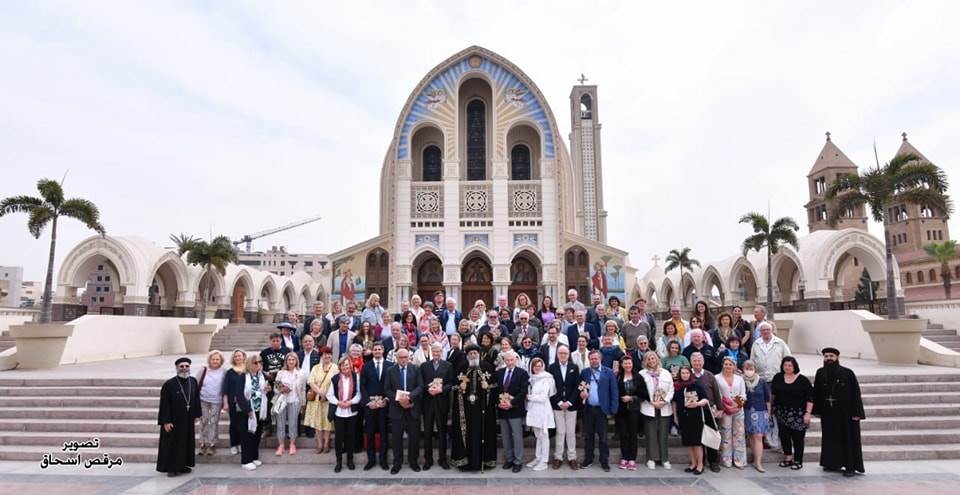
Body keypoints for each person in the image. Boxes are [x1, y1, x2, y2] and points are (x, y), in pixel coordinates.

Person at [813, 347, 865, 477]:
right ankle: (831, 463)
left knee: (847, 439)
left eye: (831, 356)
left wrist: (857, 413)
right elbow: (817, 392)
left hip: (846, 414)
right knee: (830, 439)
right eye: (826, 356)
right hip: (828, 413)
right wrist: (817, 410)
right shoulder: (820, 372)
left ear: (837, 357)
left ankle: (850, 467)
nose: (828, 358)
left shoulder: (847, 373)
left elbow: (855, 394)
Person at [449, 345, 499, 471]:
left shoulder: (487, 367)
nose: (473, 355)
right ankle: (465, 462)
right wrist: (460, 388)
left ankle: (484, 461)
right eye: (470, 353)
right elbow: (453, 386)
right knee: (466, 434)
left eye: (475, 353)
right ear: (467, 355)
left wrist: (487, 387)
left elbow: (495, 386)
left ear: (479, 354)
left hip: (483, 409)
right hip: (465, 409)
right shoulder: (461, 367)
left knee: (483, 432)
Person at [156, 357, 202, 477]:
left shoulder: (193, 381)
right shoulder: (169, 384)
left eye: (187, 366)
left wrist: (197, 414)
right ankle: (171, 468)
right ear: (177, 368)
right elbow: (164, 404)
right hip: (173, 420)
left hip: (188, 419)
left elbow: (196, 398)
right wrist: (166, 421)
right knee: (173, 444)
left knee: (186, 443)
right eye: (181, 366)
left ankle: (183, 466)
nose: (184, 368)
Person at [578, 349, 619, 471]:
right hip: (588, 409)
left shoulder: (608, 372)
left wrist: (613, 409)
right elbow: (581, 387)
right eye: (591, 359)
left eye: (596, 358)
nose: (594, 361)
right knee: (588, 436)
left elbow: (614, 391)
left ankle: (604, 461)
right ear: (589, 360)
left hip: (602, 410)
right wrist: (582, 394)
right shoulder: (585, 372)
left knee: (603, 437)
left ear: (600, 359)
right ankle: (588, 459)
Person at [772, 356, 814, 470]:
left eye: (790, 365)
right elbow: (773, 394)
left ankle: (798, 460)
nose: (787, 367)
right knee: (784, 436)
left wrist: (808, 413)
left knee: (798, 438)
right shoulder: (778, 377)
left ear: (795, 366)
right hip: (781, 413)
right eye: (785, 365)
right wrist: (770, 408)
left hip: (798, 414)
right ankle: (788, 458)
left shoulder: (803, 380)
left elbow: (810, 398)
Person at [385, 348, 423, 474]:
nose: (403, 359)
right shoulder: (390, 370)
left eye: (406, 357)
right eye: (401, 357)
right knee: (397, 438)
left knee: (414, 437)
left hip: (413, 408)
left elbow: (420, 386)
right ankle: (397, 463)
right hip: (397, 409)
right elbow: (387, 389)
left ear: (409, 357)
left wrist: (409, 397)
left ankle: (413, 462)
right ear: (396, 358)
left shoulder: (416, 369)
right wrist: (399, 400)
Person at [421, 342, 453, 470]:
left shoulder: (448, 365)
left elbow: (450, 383)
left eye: (438, 351)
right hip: (428, 403)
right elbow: (421, 382)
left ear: (441, 352)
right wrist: (427, 388)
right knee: (427, 432)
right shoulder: (424, 366)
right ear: (431, 352)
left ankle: (442, 459)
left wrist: (441, 389)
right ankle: (428, 460)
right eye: (434, 351)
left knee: (442, 432)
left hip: (441, 402)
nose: (436, 353)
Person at [360, 342, 391, 470]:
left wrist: (387, 399)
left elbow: (392, 385)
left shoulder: (390, 365)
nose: (377, 351)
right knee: (370, 433)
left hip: (384, 405)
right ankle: (371, 460)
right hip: (370, 406)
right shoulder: (366, 366)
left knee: (384, 433)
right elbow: (362, 386)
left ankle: (383, 460)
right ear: (372, 351)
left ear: (383, 351)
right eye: (375, 349)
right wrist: (368, 402)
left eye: (379, 349)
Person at [496, 351, 529, 473]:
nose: (509, 362)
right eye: (507, 360)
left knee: (517, 436)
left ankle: (518, 461)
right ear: (504, 361)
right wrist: (499, 403)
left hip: (515, 409)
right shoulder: (499, 373)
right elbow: (495, 390)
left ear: (516, 360)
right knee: (505, 436)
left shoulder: (522, 373)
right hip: (502, 409)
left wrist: (511, 403)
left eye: (512, 360)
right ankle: (509, 459)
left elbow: (523, 391)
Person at [548, 344, 580, 469]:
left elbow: (577, 386)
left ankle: (572, 457)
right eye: (560, 353)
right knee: (560, 432)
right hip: (558, 405)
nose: (563, 355)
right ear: (557, 354)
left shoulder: (574, 367)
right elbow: (551, 387)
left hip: (571, 405)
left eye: (565, 353)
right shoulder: (552, 367)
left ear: (568, 354)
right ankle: (558, 457)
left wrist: (570, 402)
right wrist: (559, 402)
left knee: (571, 432)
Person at [640, 351, 674, 470]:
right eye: (649, 359)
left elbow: (671, 390)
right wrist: (652, 402)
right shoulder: (642, 374)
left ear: (657, 359)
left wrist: (665, 401)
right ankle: (651, 458)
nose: (651, 361)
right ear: (645, 361)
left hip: (664, 407)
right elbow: (641, 391)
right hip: (649, 407)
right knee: (651, 434)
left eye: (653, 358)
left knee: (663, 434)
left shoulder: (666, 373)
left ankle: (664, 459)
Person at [690, 352, 723, 472]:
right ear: (691, 362)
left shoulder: (709, 375)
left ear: (703, 362)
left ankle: (713, 461)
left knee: (711, 436)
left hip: (709, 410)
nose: (697, 363)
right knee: (698, 438)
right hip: (694, 411)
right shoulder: (688, 375)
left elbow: (716, 392)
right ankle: (700, 461)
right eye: (694, 361)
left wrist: (720, 408)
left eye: (699, 361)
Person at [328, 356, 361, 472]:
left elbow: (359, 393)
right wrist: (339, 403)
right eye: (342, 365)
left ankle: (350, 460)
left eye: (347, 364)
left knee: (351, 437)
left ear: (350, 365)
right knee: (339, 438)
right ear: (340, 367)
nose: (345, 367)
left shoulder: (356, 377)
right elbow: (330, 395)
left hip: (352, 412)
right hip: (339, 412)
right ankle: (339, 462)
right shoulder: (335, 378)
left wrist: (351, 402)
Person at [715, 356, 747, 468]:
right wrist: (726, 405)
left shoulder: (740, 379)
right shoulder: (717, 378)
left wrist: (737, 405)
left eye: (730, 364)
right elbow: (717, 394)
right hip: (724, 410)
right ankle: (726, 460)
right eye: (726, 364)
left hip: (738, 409)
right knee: (726, 434)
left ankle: (739, 460)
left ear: (734, 366)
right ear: (723, 365)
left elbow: (743, 394)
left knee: (739, 434)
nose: (728, 366)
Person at [239, 354, 270, 471]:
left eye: (260, 362)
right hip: (248, 410)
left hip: (259, 409)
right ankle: (246, 461)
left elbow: (264, 390)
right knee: (247, 436)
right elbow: (239, 395)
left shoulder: (261, 376)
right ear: (249, 364)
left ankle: (253, 457)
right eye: (255, 362)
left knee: (256, 435)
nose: (258, 364)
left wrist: (267, 389)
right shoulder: (243, 377)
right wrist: (247, 410)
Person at [525, 357, 556, 471]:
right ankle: (538, 458)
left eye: (539, 366)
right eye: (535, 366)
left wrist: (529, 397)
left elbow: (543, 397)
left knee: (544, 436)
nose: (537, 368)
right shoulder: (532, 379)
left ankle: (544, 461)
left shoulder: (546, 379)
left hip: (543, 410)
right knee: (538, 436)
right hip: (534, 410)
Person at [616, 355, 646, 470]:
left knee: (633, 434)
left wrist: (632, 398)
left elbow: (644, 395)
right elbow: (615, 392)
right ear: (622, 365)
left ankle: (632, 458)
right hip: (621, 410)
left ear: (632, 364)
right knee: (623, 434)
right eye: (625, 363)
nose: (628, 365)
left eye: (629, 363)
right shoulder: (618, 376)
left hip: (634, 410)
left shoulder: (638, 377)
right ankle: (624, 457)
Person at [304, 347, 337, 454]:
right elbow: (311, 382)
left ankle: (326, 444)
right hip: (316, 399)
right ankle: (319, 444)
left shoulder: (335, 367)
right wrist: (321, 393)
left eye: (329, 354)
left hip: (329, 399)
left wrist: (327, 395)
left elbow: (337, 383)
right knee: (317, 422)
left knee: (327, 423)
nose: (327, 356)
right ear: (321, 356)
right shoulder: (316, 368)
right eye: (325, 354)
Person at [742, 360, 771, 472]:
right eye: (747, 368)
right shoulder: (741, 381)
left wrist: (768, 412)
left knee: (758, 436)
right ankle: (754, 458)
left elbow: (767, 398)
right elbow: (739, 396)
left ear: (755, 369)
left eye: (751, 368)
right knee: (751, 436)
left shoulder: (761, 382)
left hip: (760, 412)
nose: (749, 370)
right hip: (747, 411)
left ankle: (758, 462)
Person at [272, 352, 304, 456]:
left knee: (293, 423)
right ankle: (281, 445)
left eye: (293, 360)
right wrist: (282, 389)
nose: (291, 361)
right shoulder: (281, 373)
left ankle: (292, 444)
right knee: (280, 423)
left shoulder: (300, 373)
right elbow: (275, 388)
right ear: (286, 361)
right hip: (281, 400)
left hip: (294, 400)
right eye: (289, 360)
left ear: (296, 361)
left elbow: (302, 389)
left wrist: (302, 402)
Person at [195, 350, 225, 456]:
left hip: (217, 400)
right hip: (203, 399)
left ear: (221, 360)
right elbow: (195, 383)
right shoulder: (203, 370)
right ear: (209, 360)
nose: (215, 361)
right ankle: (202, 443)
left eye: (217, 359)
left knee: (213, 421)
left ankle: (212, 444)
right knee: (203, 421)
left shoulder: (224, 372)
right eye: (213, 359)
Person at [750, 322, 791, 392]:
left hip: (777, 378)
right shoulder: (756, 343)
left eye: (768, 329)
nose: (765, 331)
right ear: (760, 332)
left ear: (771, 330)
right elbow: (752, 360)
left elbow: (788, 359)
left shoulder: (780, 343)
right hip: (760, 379)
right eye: (763, 330)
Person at [222, 349, 247, 456]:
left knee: (243, 425)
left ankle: (241, 444)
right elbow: (225, 389)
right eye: (236, 356)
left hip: (245, 403)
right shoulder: (230, 372)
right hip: (233, 403)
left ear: (244, 357)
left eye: (239, 356)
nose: (238, 358)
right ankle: (234, 445)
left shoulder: (248, 370)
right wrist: (225, 403)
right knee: (234, 424)